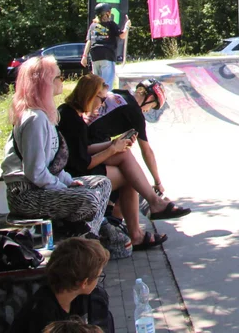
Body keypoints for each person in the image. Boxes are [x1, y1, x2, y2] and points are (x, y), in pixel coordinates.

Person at [58, 75, 189, 250]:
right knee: (128, 177)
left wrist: (114, 144)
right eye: (101, 99)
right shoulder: (74, 121)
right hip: (72, 175)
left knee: (125, 156)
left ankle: (146, 211)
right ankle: (139, 226)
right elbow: (83, 163)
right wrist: (112, 150)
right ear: (90, 95)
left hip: (73, 165)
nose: (102, 104)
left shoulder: (71, 111)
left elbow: (81, 150)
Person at [0, 57, 112, 239]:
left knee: (102, 183)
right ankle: (83, 239)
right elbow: (35, 172)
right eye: (58, 77)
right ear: (45, 83)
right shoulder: (34, 119)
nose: (62, 81)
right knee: (89, 199)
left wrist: (68, 181)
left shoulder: (45, 116)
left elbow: (52, 165)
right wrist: (62, 188)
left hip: (41, 187)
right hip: (26, 194)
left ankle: (87, 234)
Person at [9, 237, 113, 333]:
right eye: (99, 276)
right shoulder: (42, 314)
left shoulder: (94, 297)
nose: (98, 282)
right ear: (84, 283)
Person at [86, 78, 167, 196]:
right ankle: (115, 209)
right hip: (90, 148)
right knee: (130, 175)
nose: (148, 110)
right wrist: (158, 181)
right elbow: (146, 151)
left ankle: (112, 206)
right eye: (152, 105)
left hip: (85, 137)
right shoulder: (136, 114)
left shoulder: (118, 92)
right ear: (149, 98)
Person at [81, 4, 130, 90]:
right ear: (107, 13)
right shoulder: (110, 24)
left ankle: (95, 101)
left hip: (95, 55)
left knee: (96, 83)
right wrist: (127, 26)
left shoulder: (93, 26)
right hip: (107, 55)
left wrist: (84, 56)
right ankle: (106, 102)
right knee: (107, 83)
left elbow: (89, 41)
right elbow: (122, 36)